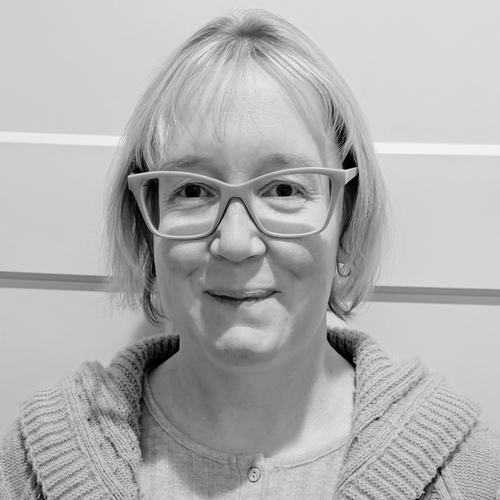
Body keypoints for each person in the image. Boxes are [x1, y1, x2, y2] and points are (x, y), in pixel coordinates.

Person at [1, 9, 499, 500]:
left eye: (284, 189)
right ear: (145, 222)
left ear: (347, 219)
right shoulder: (29, 470)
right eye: (193, 190)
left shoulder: (469, 474)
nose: (236, 243)